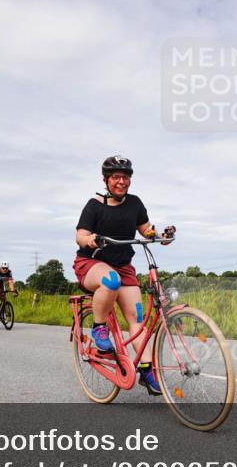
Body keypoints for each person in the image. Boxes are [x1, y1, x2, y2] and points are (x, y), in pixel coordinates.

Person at [74, 155, 175, 395]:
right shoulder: (94, 204)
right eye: (116, 177)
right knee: (111, 281)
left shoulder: (135, 203)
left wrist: (159, 234)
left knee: (137, 322)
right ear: (106, 180)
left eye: (126, 177)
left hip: (123, 265)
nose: (122, 181)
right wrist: (91, 239)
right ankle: (99, 328)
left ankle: (147, 371)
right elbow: (80, 235)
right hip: (92, 263)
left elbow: (146, 229)